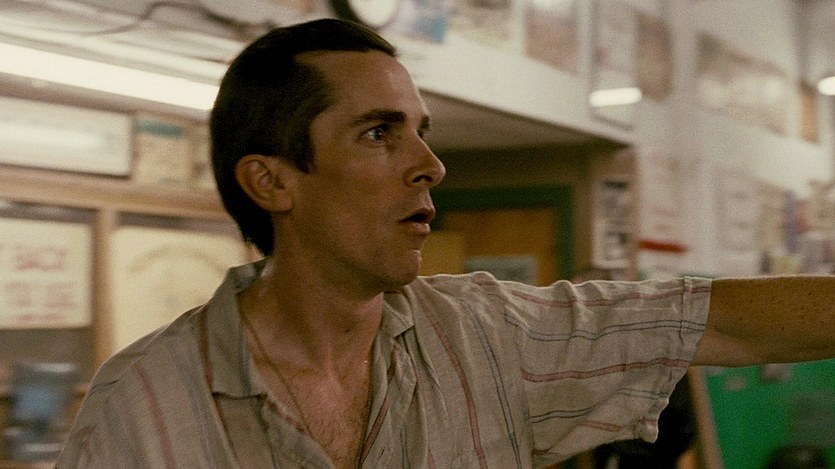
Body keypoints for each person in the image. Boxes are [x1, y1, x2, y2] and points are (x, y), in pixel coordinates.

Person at [56, 18, 835, 469]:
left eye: (421, 132)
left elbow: (708, 320)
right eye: (378, 133)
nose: (430, 164)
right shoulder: (144, 405)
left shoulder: (488, 338)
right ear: (271, 181)